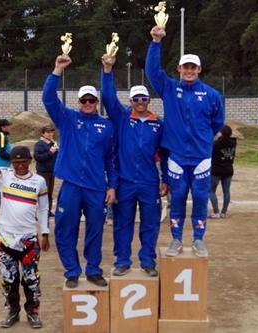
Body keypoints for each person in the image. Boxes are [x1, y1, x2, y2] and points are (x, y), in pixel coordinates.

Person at [146, 26, 224, 258]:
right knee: (177, 198)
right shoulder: (170, 88)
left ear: (199, 69)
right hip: (177, 157)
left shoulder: (212, 95)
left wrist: (202, 139)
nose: (189, 70)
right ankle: (176, 240)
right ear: (179, 69)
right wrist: (156, 42)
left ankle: (199, 240)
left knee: (201, 198)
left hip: (201, 157)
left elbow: (217, 122)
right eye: (185, 67)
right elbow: (152, 71)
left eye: (193, 67)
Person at [42, 54, 117, 288]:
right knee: (65, 229)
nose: (87, 104)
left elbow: (111, 159)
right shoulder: (68, 119)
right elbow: (48, 99)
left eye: (91, 100)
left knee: (95, 230)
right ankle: (72, 271)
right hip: (72, 186)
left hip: (96, 187)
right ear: (78, 102)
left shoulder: (106, 126)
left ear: (97, 102)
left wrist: (112, 185)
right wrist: (57, 71)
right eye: (83, 100)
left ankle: (93, 270)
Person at [101, 53, 168, 277]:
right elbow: (108, 98)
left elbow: (165, 154)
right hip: (125, 182)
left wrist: (165, 180)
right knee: (122, 224)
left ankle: (148, 261)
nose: (140, 102)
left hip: (149, 182)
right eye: (136, 99)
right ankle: (122, 261)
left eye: (144, 98)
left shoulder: (158, 124)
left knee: (150, 224)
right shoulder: (121, 118)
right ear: (130, 101)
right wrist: (108, 71)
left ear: (149, 100)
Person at [0, 130, 50, 329]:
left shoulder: (39, 182)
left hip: (29, 240)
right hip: (5, 240)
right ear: (11, 163)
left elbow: (44, 208)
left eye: (24, 162)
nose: (20, 165)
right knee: (9, 280)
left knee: (31, 280)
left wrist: (45, 233)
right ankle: (12, 311)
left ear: (30, 162)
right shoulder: (3, 176)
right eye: (16, 162)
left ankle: (33, 312)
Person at [209, 125, 236, 219]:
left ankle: (216, 212)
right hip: (228, 169)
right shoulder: (233, 143)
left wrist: (215, 138)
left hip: (216, 170)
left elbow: (210, 154)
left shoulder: (216, 144)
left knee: (211, 190)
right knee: (226, 191)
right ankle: (223, 212)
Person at [33, 125, 58, 217]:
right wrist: (50, 152)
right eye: (48, 132)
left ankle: (48, 211)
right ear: (43, 134)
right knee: (42, 193)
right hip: (43, 172)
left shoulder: (53, 143)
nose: (50, 134)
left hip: (51, 172)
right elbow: (38, 157)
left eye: (52, 132)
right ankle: (38, 211)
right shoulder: (39, 144)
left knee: (49, 193)